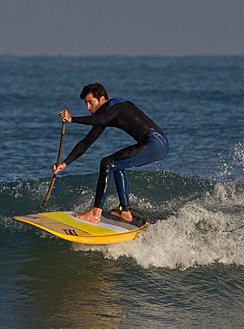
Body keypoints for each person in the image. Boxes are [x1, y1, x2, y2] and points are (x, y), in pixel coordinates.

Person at [52, 83, 168, 224]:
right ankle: (125, 213)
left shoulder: (117, 106)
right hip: (152, 143)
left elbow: (101, 119)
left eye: (90, 102)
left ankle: (95, 213)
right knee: (115, 165)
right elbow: (86, 142)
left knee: (107, 163)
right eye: (86, 103)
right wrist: (64, 163)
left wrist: (73, 119)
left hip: (155, 143)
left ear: (102, 99)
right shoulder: (105, 115)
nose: (88, 107)